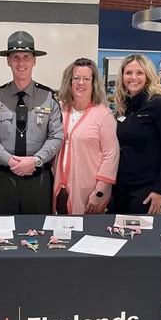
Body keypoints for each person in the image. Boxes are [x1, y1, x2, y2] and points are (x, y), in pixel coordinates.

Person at [0, 31, 63, 215]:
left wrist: (35, 161)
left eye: (26, 57)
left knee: (39, 230)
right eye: (15, 57)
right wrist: (10, 161)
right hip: (4, 178)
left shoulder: (48, 98)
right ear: (8, 61)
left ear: (34, 60)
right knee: (5, 233)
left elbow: (56, 136)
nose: (21, 63)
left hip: (38, 178)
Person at [110, 54, 161, 215]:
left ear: (148, 75)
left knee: (139, 237)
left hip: (146, 191)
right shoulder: (124, 105)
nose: (133, 77)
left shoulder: (159, 104)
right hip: (120, 188)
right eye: (128, 73)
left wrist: (160, 190)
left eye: (139, 73)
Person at [52, 58, 119, 215]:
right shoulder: (60, 110)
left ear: (93, 82)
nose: (80, 83)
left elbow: (111, 156)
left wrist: (99, 192)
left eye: (86, 79)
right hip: (59, 190)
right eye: (76, 78)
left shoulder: (103, 115)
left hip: (89, 195)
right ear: (69, 81)